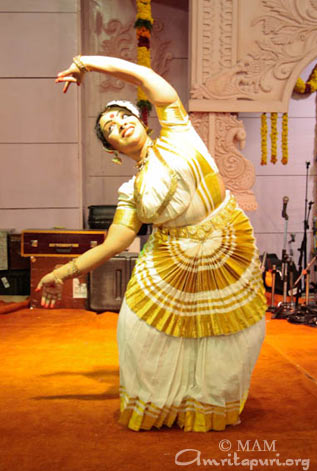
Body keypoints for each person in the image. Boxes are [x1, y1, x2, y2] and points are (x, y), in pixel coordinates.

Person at [36, 55, 267, 432]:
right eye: (110, 127)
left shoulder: (177, 134)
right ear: (111, 149)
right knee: (137, 329)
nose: (119, 124)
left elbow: (146, 77)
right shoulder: (131, 191)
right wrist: (62, 271)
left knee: (231, 334)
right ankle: (163, 402)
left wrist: (85, 64)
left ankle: (205, 403)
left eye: (123, 116)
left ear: (141, 121)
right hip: (168, 258)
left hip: (223, 247)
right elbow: (114, 243)